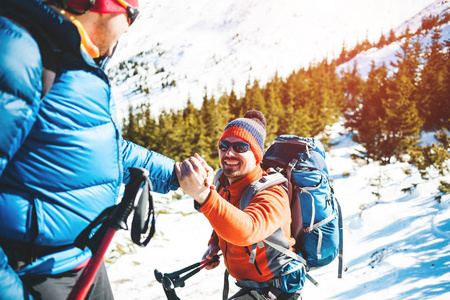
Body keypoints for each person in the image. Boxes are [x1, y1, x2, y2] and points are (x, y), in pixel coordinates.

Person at [0, 0, 179, 299]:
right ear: (106, 6)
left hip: (85, 264)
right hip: (37, 274)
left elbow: (103, 149)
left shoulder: (79, 64)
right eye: (132, 14)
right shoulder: (21, 51)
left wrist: (173, 172)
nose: (129, 27)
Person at [176, 111, 304, 299]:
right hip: (250, 285)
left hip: (279, 287)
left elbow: (248, 230)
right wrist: (214, 245)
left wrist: (204, 195)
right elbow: (226, 214)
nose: (229, 153)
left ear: (257, 155)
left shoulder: (272, 193)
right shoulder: (223, 181)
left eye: (241, 147)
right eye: (224, 145)